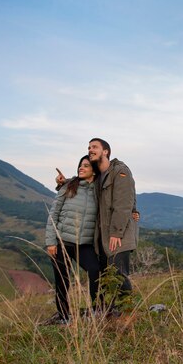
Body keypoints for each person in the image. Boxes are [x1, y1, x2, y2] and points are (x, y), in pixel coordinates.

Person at [56, 138, 138, 316]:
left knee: (118, 274)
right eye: (89, 147)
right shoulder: (100, 176)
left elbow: (124, 204)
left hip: (119, 235)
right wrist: (64, 182)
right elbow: (84, 179)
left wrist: (116, 232)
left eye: (94, 147)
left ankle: (129, 312)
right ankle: (105, 310)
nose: (90, 149)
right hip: (103, 236)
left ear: (106, 151)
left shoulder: (120, 171)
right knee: (105, 274)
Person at [43, 155, 99, 324]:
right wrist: (51, 242)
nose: (81, 168)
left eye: (86, 166)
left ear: (94, 171)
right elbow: (53, 214)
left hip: (84, 244)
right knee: (63, 281)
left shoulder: (99, 190)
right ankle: (64, 316)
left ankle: (97, 310)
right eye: (80, 165)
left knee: (96, 271)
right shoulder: (68, 186)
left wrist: (134, 210)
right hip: (62, 242)